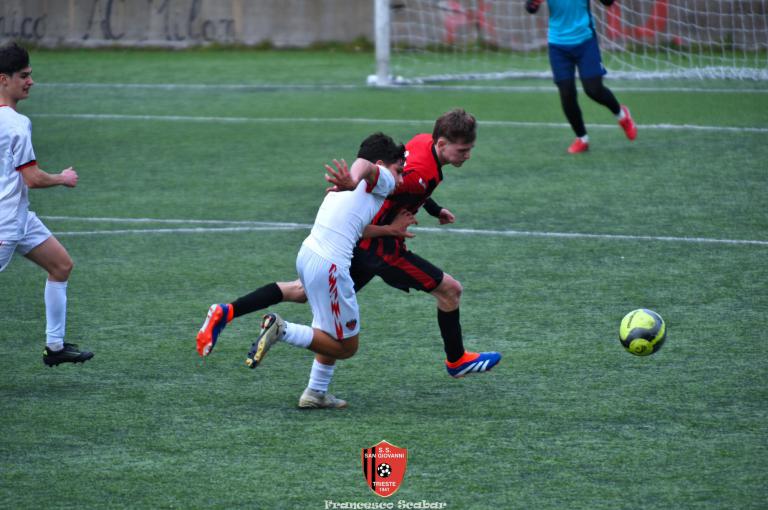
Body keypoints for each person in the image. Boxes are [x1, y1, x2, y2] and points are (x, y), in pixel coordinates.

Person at [197, 109, 501, 407]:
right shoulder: (395, 177)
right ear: (441, 143)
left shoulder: (420, 145)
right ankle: (456, 360)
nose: (468, 155)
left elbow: (412, 184)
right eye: (464, 150)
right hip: (377, 252)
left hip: (322, 250)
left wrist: (433, 209)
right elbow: (387, 174)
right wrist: (362, 188)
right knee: (446, 292)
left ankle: (309, 386)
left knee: (306, 298)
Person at [244, 133, 406, 409]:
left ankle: (315, 393)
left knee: (327, 328)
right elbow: (365, 166)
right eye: (399, 170)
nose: (400, 179)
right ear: (383, 164)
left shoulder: (352, 190)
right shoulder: (379, 179)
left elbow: (355, 227)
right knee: (346, 347)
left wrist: (389, 230)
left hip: (309, 255)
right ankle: (282, 329)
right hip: (330, 266)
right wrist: (353, 179)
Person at [0, 42, 93, 366]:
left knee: (61, 265)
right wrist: (62, 178)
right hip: (5, 225)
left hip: (20, 217)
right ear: (3, 80)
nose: (31, 81)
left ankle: (55, 347)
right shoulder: (15, 124)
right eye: (24, 76)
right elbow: (33, 178)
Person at [525, 0, 637, 153]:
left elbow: (608, 2)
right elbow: (530, 8)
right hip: (558, 45)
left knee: (594, 90)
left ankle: (622, 115)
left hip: (585, 41)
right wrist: (534, 3)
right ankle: (582, 138)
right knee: (566, 93)